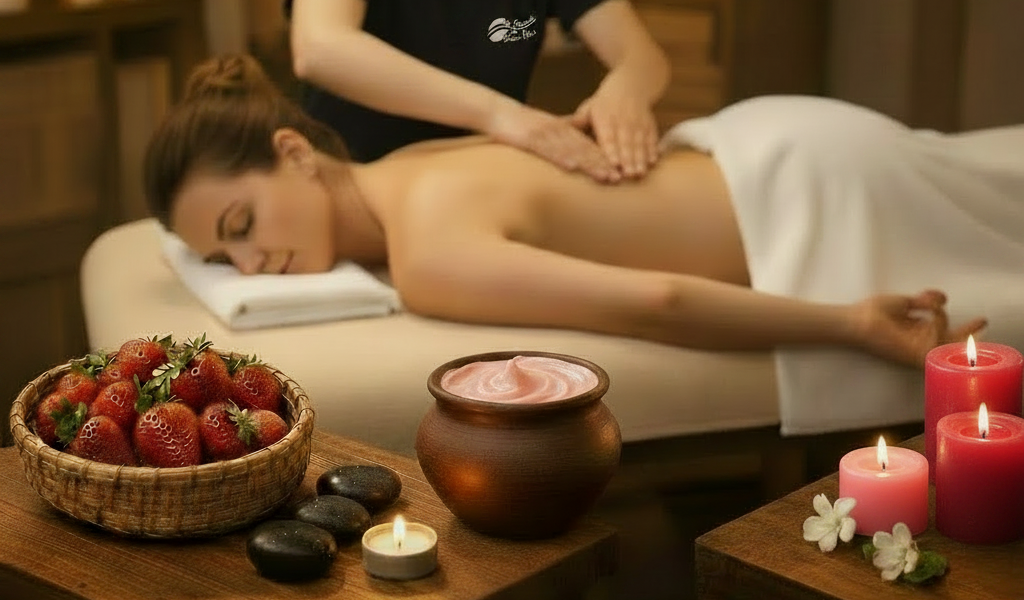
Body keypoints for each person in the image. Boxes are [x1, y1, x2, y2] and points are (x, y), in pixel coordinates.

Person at [145, 55, 1001, 372]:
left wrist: (850, 324)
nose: (250, 266)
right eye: (224, 261)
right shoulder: (407, 166)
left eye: (240, 227)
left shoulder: (426, 257)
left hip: (809, 204)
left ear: (295, 153)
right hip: (774, 141)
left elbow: (656, 301)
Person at [286, 0, 670, 182]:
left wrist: (624, 92)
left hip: (470, 189)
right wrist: (499, 115)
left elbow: (643, 57)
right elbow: (321, 48)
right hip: (349, 184)